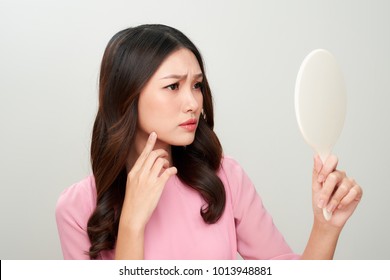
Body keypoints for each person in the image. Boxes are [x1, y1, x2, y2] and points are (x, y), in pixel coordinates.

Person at [55, 24, 363, 260]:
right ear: (127, 96)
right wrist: (132, 225)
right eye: (173, 86)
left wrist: (327, 226)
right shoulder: (76, 208)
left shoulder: (226, 178)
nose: (193, 102)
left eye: (197, 85)